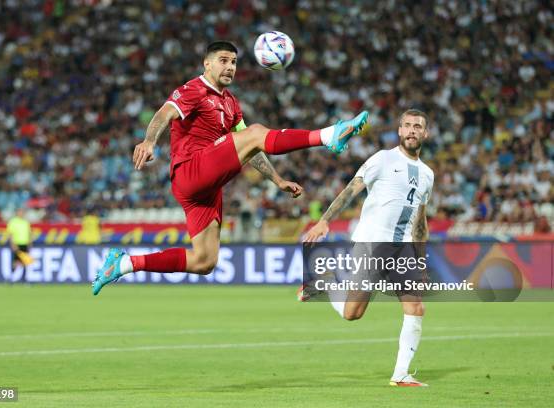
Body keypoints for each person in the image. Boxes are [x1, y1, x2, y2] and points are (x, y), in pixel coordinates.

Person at [92, 41, 369, 295]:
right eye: (223, 60)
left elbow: (251, 147)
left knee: (204, 261)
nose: (230, 67)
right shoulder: (194, 89)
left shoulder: (230, 102)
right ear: (207, 64)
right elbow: (165, 113)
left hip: (206, 188)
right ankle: (327, 136)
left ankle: (125, 263)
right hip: (190, 170)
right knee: (256, 132)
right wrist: (149, 141)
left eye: (234, 62)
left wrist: (277, 180)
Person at [300, 109, 434, 387]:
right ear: (399, 131)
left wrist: (420, 261)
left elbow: (420, 222)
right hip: (373, 244)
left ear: (425, 133)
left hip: (404, 249)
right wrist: (324, 221)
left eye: (417, 127)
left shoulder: (427, 174)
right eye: (407, 125)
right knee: (353, 314)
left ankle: (401, 375)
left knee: (416, 306)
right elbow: (351, 190)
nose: (411, 130)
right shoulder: (383, 159)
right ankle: (325, 285)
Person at [6, 208, 33, 279]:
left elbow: (29, 234)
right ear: (17, 213)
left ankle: (24, 279)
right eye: (20, 212)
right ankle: (11, 278)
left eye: (22, 212)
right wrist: (12, 244)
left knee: (25, 262)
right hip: (17, 244)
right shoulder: (13, 222)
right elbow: (10, 234)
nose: (21, 213)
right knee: (15, 262)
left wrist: (30, 243)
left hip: (25, 244)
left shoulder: (26, 222)